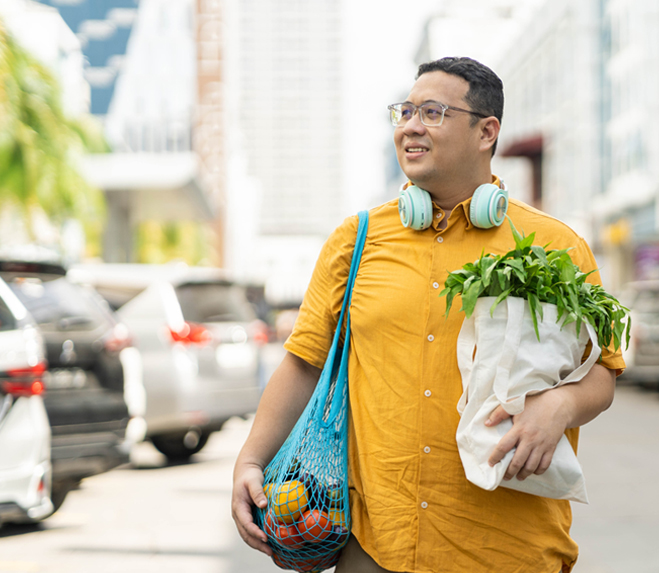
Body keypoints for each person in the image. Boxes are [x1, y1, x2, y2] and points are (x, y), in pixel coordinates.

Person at [232, 56, 625, 573]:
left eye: (434, 112)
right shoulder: (358, 241)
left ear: (487, 132)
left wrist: (562, 406)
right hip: (377, 545)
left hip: (508, 550)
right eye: (405, 112)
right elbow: (305, 362)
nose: (411, 126)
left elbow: (602, 371)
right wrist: (250, 459)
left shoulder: (557, 247)